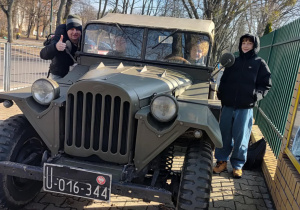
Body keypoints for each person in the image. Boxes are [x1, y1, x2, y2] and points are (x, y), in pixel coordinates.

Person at [213, 33, 272, 178]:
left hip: (245, 108)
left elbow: (265, 85)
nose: (245, 46)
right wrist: (222, 94)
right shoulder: (233, 61)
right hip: (228, 106)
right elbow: (224, 80)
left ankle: (238, 165)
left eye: (249, 43)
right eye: (243, 43)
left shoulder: (260, 63)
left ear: (255, 46)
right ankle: (221, 161)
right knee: (224, 135)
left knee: (241, 138)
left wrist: (255, 96)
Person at [40, 14, 82, 79]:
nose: (75, 32)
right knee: (58, 88)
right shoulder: (58, 38)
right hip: (60, 74)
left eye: (77, 29)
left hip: (78, 74)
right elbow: (43, 54)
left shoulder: (84, 40)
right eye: (72, 29)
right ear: (67, 30)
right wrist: (55, 47)